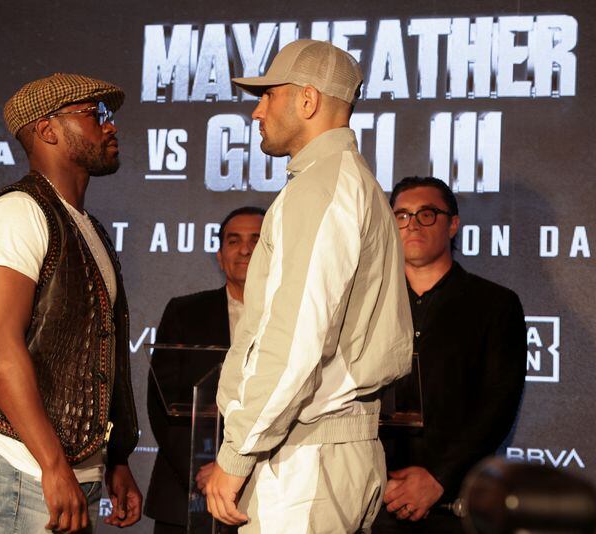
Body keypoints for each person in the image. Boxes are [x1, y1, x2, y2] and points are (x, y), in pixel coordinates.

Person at [205, 39, 413, 533]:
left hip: (306, 457)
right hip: (323, 451)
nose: (257, 112)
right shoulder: (345, 181)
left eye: (268, 96)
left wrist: (235, 456)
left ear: (307, 100)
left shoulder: (324, 187)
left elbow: (296, 340)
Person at [0, 73, 142, 533]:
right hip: (24, 467)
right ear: (48, 130)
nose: (111, 126)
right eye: (96, 114)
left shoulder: (89, 229)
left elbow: (100, 355)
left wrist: (116, 458)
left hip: (70, 469)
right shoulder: (19, 212)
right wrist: (51, 465)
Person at [373, 176, 526, 533]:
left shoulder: (495, 304)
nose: (412, 224)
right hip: (373, 495)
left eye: (427, 214)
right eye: (402, 215)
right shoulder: (368, 302)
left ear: (452, 224)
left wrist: (439, 477)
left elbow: (498, 404)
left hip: (454, 501)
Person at [145, 206, 265, 534]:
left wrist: (238, 469)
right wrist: (204, 470)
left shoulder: (294, 317)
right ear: (219, 254)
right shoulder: (185, 312)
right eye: (234, 240)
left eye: (257, 240)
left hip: (266, 492)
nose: (245, 249)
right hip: (189, 493)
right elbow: (162, 402)